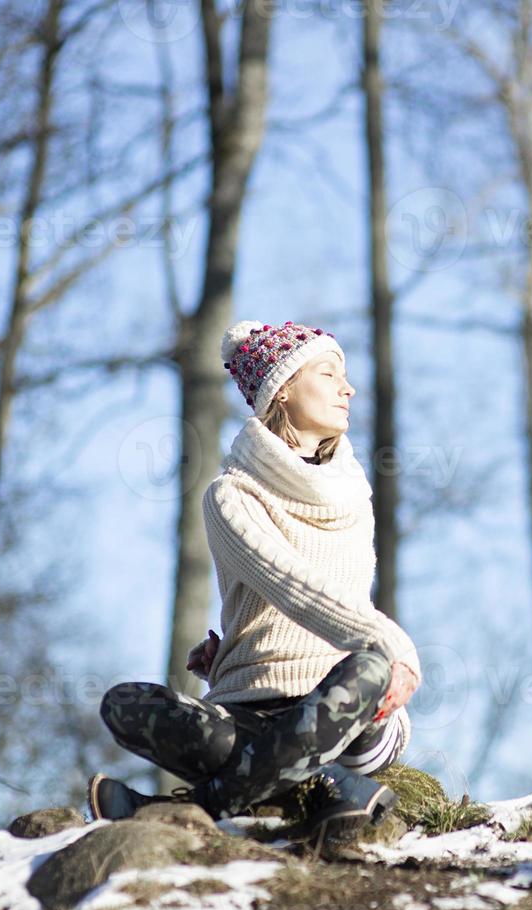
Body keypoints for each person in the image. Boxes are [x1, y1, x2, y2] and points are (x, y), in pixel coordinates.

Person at [87, 319, 421, 839]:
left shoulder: (355, 495)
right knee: (124, 704)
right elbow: (296, 587)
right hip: (251, 711)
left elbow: (337, 604)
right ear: (282, 389)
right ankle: (320, 788)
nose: (347, 387)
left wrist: (390, 654)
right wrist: (241, 652)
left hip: (346, 711)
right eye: (329, 373)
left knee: (372, 669)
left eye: (345, 376)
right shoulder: (231, 496)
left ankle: (191, 807)